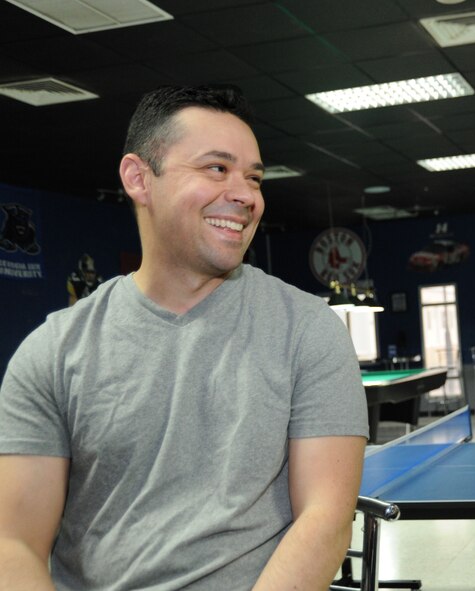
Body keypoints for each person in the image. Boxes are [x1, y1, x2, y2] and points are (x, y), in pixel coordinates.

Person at [0, 86, 369, 590]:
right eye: (217, 169)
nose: (246, 194)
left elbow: (325, 519)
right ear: (138, 178)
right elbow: (14, 543)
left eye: (254, 177)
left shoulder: (308, 329)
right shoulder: (52, 351)